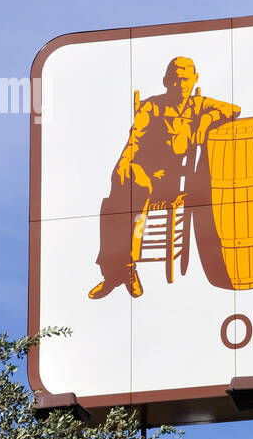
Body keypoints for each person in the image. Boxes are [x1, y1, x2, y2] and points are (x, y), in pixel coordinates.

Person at [88, 57, 240, 299]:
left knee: (131, 195)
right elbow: (134, 141)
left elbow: (233, 110)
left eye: (186, 79)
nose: (181, 85)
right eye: (176, 80)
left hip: (171, 181)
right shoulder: (151, 106)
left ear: (195, 79)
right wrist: (122, 165)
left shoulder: (199, 105)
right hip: (143, 172)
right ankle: (123, 270)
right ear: (166, 81)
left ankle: (117, 272)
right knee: (115, 200)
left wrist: (207, 119)